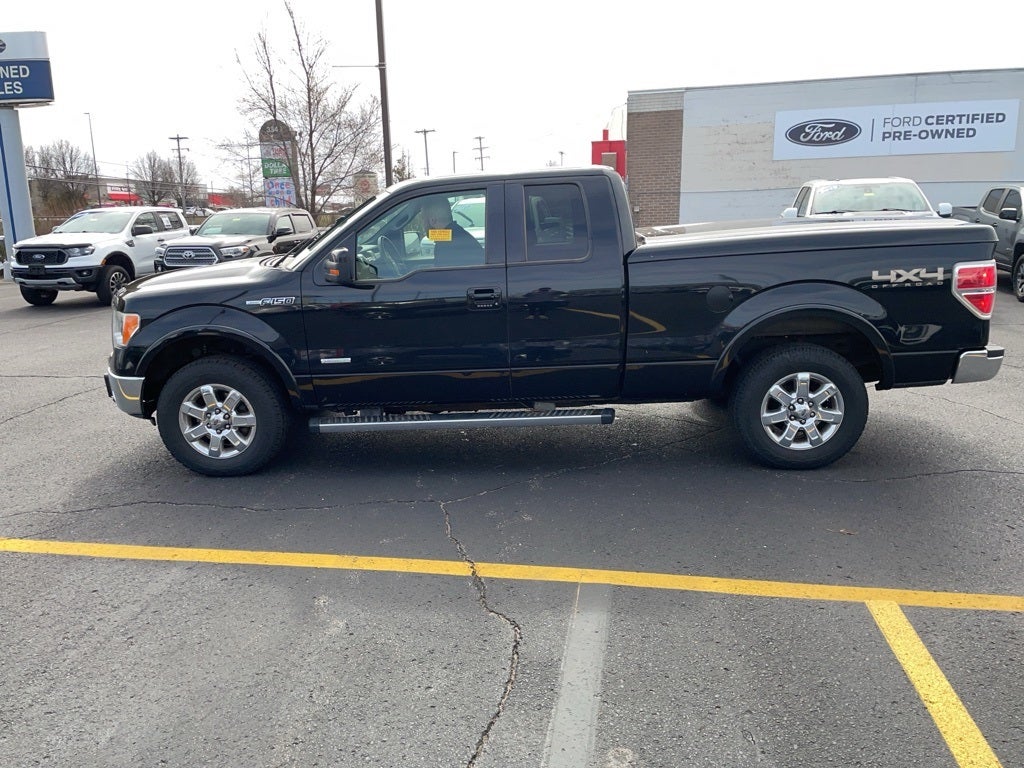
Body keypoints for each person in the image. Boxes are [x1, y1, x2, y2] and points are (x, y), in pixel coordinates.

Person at [421, 196, 484, 267]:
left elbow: (441, 277)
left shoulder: (445, 246)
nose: (422, 224)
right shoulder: (457, 234)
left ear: (432, 220)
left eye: (423, 219)